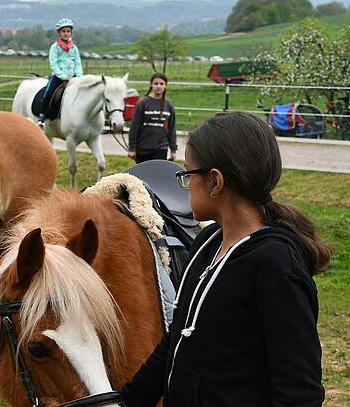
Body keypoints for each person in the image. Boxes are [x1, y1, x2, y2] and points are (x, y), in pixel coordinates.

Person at [120, 111, 331, 406]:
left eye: (187, 174)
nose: (185, 183)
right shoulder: (207, 243)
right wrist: (128, 402)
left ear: (215, 182)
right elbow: (176, 339)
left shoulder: (276, 266)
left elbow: (299, 390)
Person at [37, 18, 83, 129]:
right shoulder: (55, 47)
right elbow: (54, 64)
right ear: (59, 33)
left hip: (73, 77)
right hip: (59, 77)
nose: (66, 34)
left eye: (68, 31)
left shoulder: (74, 48)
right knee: (48, 92)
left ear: (71, 33)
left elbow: (78, 63)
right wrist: (64, 76)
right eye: (63, 31)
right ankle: (42, 117)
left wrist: (79, 77)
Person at [127, 72, 177, 163]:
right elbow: (134, 127)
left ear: (166, 85)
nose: (158, 86)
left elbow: (172, 129)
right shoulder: (142, 103)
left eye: (161, 84)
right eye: (156, 83)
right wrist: (131, 148)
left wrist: (173, 150)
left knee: (157, 175)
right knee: (143, 176)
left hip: (161, 148)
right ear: (151, 85)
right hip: (143, 148)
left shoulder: (168, 105)